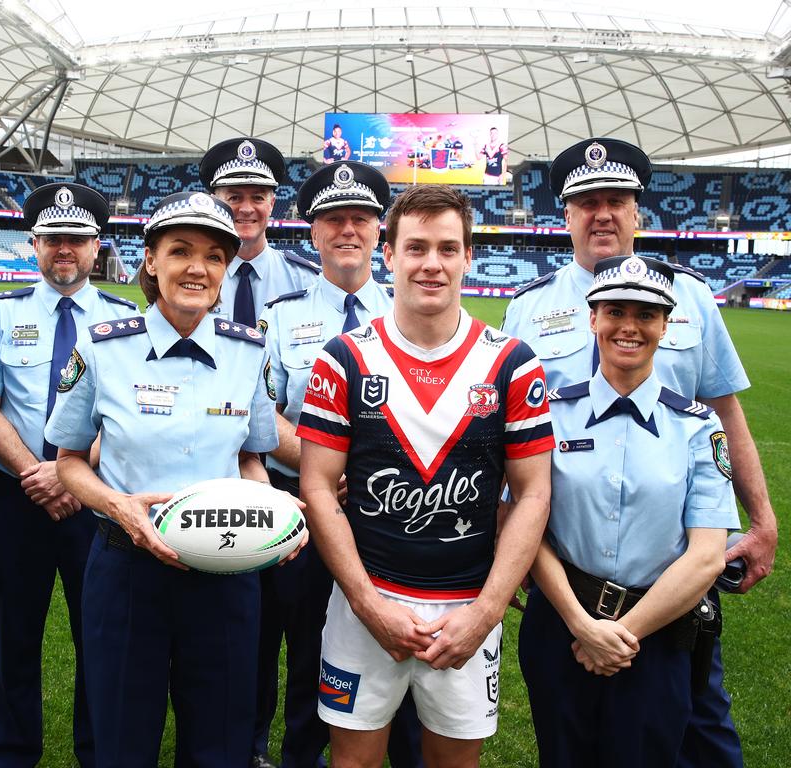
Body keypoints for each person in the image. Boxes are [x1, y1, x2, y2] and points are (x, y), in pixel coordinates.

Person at [500, 137, 777, 767]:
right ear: (566, 215)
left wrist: (760, 519)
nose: (602, 213)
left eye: (616, 201)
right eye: (586, 202)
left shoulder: (693, 297)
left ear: (637, 211)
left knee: (700, 734)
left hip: (672, 576)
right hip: (565, 566)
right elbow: (504, 438)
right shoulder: (527, 308)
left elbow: (725, 411)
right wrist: (508, 547)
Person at [297, 185, 554, 768]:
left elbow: (535, 492)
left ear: (469, 257)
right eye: (416, 248)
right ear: (388, 253)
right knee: (353, 761)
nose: (431, 264)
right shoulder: (345, 358)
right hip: (366, 605)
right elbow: (317, 486)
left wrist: (486, 613)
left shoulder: (511, 362)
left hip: (467, 609)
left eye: (447, 248)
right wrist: (366, 602)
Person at [44, 190, 293, 767]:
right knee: (124, 740)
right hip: (128, 569)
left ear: (226, 270)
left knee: (221, 743)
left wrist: (279, 516)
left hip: (226, 570)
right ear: (151, 261)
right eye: (180, 251)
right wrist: (119, 506)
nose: (197, 268)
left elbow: (253, 459)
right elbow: (68, 460)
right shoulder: (105, 348)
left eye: (213, 256)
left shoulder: (247, 354)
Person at [518, 255, 738, 767]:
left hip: (658, 632)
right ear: (592, 318)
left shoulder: (698, 427)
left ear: (665, 324)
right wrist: (582, 625)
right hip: (562, 625)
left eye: (645, 314)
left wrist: (622, 636)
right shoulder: (547, 414)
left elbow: (707, 555)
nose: (629, 327)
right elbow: (523, 522)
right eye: (615, 311)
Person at [254, 162, 421, 768]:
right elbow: (262, 418)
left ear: (380, 230)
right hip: (302, 512)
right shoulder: (279, 315)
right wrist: (324, 470)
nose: (347, 230)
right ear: (314, 232)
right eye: (333, 220)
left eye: (361, 218)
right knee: (305, 653)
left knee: (394, 647)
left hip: (392, 516)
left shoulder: (410, 314)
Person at [0, 182, 136, 767]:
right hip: (18, 501)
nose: (64, 250)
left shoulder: (124, 320)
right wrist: (33, 473)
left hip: (91, 500)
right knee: (14, 637)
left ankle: (97, 753)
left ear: (97, 247)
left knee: (97, 638)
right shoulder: (2, 310)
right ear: (34, 244)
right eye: (53, 239)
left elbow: (125, 415)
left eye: (77, 240)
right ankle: (12, 755)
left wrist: (67, 473)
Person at [199, 137, 320, 326]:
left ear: (271, 204)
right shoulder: (194, 276)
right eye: (234, 197)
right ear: (215, 203)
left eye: (257, 197)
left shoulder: (305, 280)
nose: (247, 209)